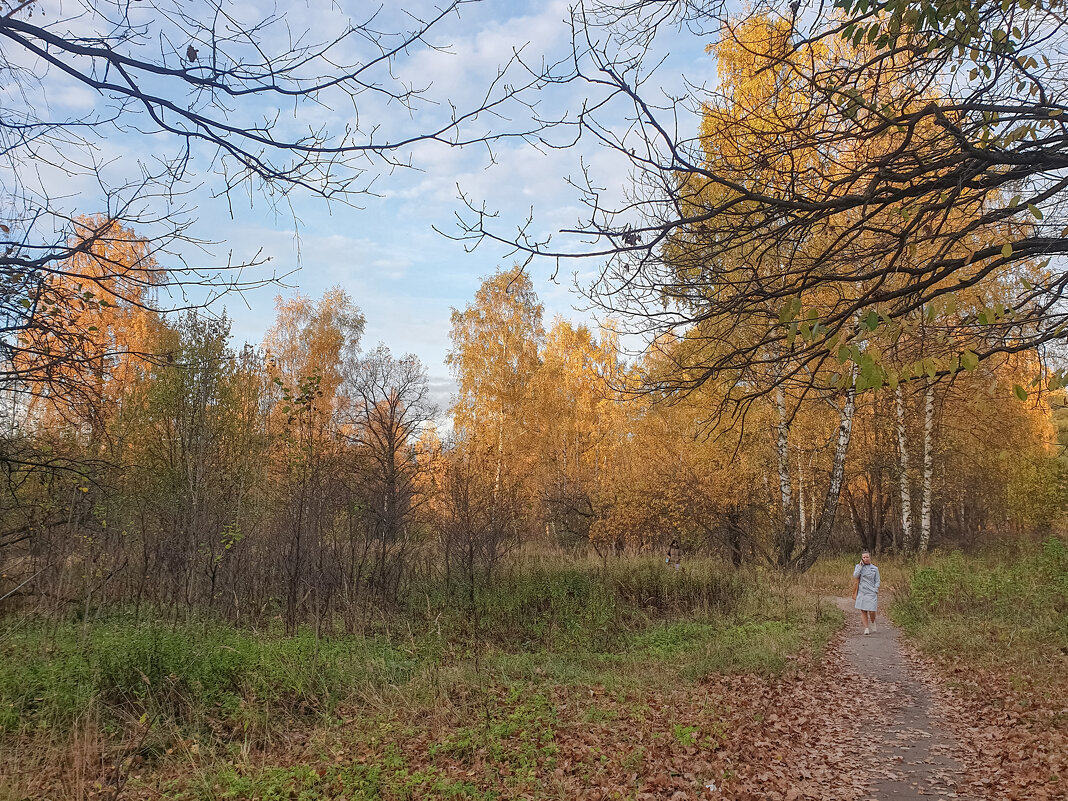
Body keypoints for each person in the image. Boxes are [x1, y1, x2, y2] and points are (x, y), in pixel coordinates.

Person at [852, 551, 881, 635]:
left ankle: (872, 621)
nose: (865, 559)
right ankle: (866, 628)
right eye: (864, 557)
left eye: (867, 557)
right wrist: (860, 567)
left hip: (871, 591)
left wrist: (875, 588)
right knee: (863, 610)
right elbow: (855, 576)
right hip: (862, 591)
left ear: (870, 557)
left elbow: (877, 580)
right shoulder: (858, 567)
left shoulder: (875, 568)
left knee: (872, 610)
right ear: (862, 558)